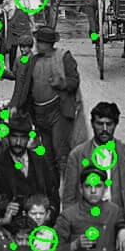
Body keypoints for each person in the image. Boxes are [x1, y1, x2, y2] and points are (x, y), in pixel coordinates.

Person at [10, 26, 82, 189]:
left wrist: (62, 83)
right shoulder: (33, 60)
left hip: (59, 112)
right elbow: (24, 86)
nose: (37, 45)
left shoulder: (64, 57)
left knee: (60, 154)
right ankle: (53, 191)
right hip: (40, 115)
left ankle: (69, 190)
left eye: (40, 42)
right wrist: (16, 105)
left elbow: (74, 81)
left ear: (49, 43)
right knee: (48, 156)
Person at [62, 101, 125, 217]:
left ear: (116, 124)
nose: (104, 129)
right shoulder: (77, 155)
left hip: (118, 218)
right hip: (87, 218)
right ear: (92, 124)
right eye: (99, 124)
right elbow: (69, 198)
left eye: (109, 124)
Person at [0, 112, 59, 226]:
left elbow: (53, 192)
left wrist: (50, 212)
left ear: (28, 138)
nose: (18, 142)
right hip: (10, 228)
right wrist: (4, 206)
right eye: (14, 137)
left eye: (22, 138)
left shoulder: (40, 162)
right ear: (7, 137)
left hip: (39, 228)